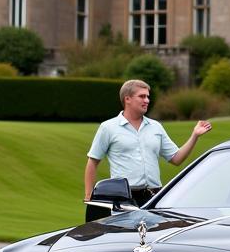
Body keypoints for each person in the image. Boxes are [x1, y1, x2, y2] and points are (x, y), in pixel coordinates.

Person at [84, 79, 212, 207]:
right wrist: (89, 196)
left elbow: (176, 158)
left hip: (155, 197)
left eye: (147, 97)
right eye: (142, 96)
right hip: (123, 198)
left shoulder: (156, 127)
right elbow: (93, 162)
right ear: (127, 99)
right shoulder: (108, 127)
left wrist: (194, 136)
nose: (147, 100)